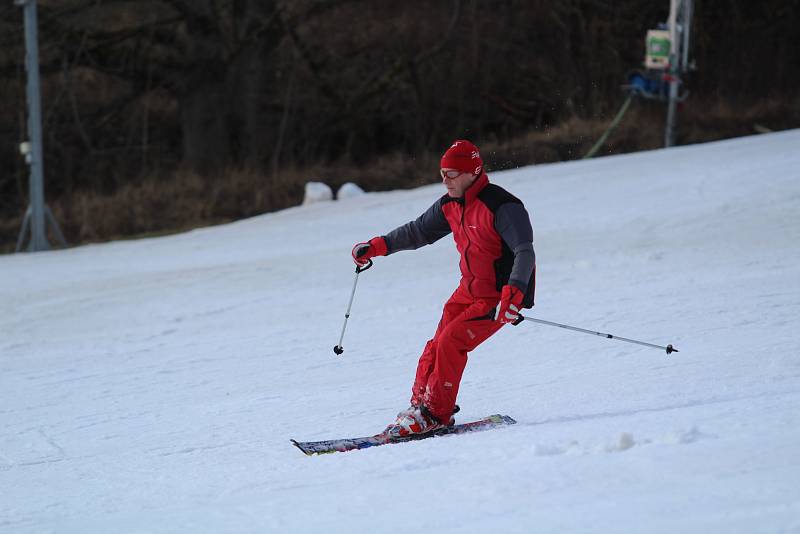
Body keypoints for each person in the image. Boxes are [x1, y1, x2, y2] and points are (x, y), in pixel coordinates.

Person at [351, 140, 536, 437]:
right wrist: (377, 246)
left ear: (473, 172)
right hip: (467, 292)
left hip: (499, 297)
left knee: (452, 342)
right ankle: (420, 407)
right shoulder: (450, 205)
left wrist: (515, 291)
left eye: (452, 174)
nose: (444, 180)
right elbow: (417, 231)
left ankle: (436, 413)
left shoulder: (503, 206)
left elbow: (525, 251)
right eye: (442, 173)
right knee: (436, 344)